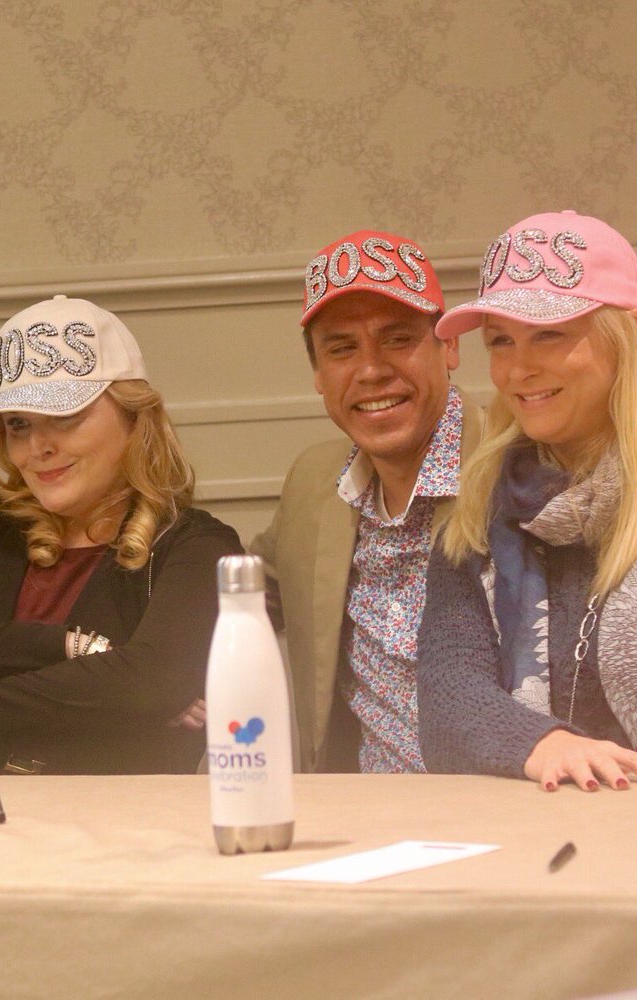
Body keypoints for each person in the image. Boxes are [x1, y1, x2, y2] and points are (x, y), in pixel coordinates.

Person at [418, 210, 637, 790]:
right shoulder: (483, 502)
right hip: (539, 824)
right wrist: (542, 743)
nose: (519, 368)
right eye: (501, 341)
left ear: (624, 338)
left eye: (549, 334)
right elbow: (446, 698)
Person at [0, 294, 242, 775]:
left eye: (66, 417)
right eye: (18, 424)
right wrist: (71, 649)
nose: (38, 447)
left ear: (135, 419)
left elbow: (148, 686)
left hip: (106, 818)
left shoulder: (195, 547)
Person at [249, 231, 483, 772]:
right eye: (341, 349)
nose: (371, 369)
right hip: (358, 811)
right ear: (318, 373)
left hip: (510, 801)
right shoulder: (315, 481)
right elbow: (245, 592)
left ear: (449, 346)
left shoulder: (517, 470)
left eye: (397, 339)